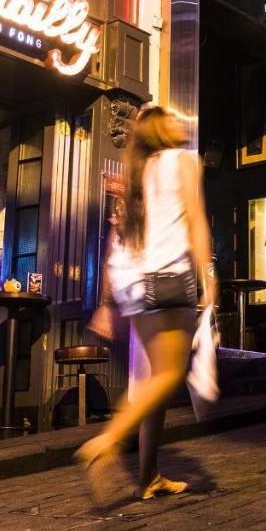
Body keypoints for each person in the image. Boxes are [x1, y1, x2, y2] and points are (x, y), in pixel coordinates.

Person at [78, 105, 217, 504]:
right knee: (170, 375)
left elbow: (115, 240)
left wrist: (106, 303)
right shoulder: (185, 161)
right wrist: (209, 275)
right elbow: (196, 220)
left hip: (132, 283)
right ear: (162, 130)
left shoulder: (136, 175)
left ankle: (149, 476)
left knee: (154, 379)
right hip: (168, 278)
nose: (179, 124)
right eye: (172, 119)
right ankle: (107, 440)